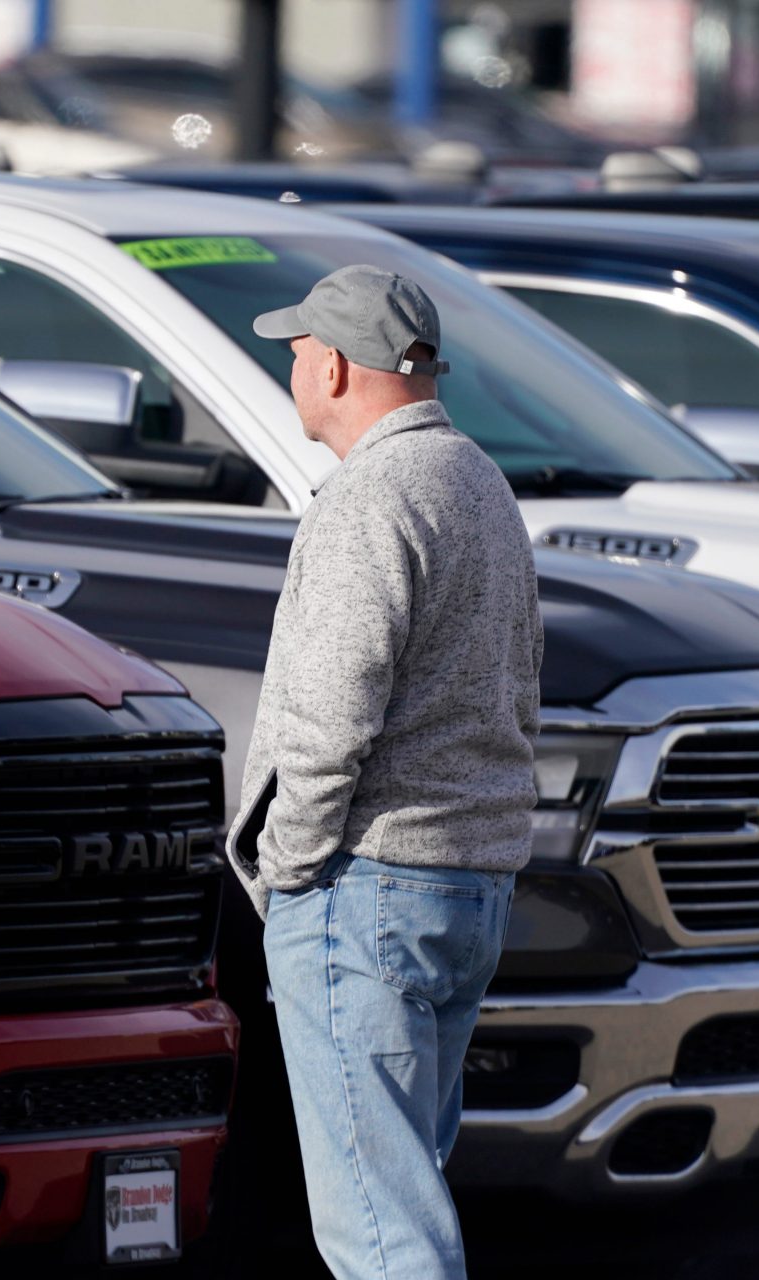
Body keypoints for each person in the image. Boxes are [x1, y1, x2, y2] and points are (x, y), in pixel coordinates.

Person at [226, 265, 543, 1280]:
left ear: (331, 363)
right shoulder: (478, 480)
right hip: (467, 880)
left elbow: (330, 708)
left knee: (380, 1229)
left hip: (364, 887)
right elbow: (519, 682)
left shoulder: (371, 493)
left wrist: (290, 865)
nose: (290, 368)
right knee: (407, 1189)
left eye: (293, 352)